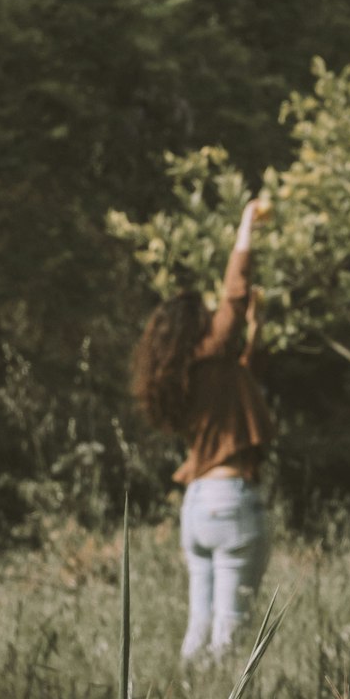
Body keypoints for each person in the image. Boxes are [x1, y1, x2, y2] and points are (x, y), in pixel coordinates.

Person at [132, 199, 274, 665]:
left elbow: (240, 380)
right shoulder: (212, 354)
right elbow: (235, 291)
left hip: (196, 507)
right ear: (199, 327)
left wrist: (254, 333)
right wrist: (246, 223)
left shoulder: (183, 376)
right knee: (230, 634)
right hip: (231, 500)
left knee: (199, 629)